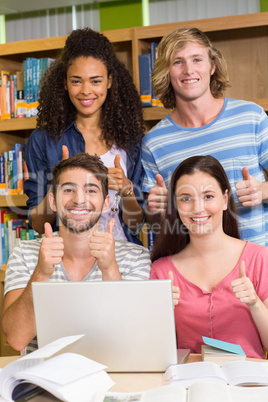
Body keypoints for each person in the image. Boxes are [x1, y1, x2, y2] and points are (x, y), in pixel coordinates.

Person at [2, 153, 151, 353]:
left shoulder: (136, 257)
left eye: (90, 190)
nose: (79, 200)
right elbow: (16, 338)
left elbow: (132, 339)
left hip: (113, 377)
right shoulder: (24, 253)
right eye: (69, 189)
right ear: (53, 202)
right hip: (42, 379)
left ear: (106, 203)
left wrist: (110, 270)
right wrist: (41, 273)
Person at [142, 27, 268, 246]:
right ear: (166, 72)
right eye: (178, 62)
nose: (188, 70)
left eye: (197, 59)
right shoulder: (154, 142)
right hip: (195, 270)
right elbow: (156, 224)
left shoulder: (252, 117)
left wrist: (263, 191)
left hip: (257, 264)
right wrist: (155, 209)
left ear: (212, 66)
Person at [24, 27, 145, 244]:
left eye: (95, 81)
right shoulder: (43, 140)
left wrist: (127, 189)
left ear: (109, 81)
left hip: (122, 257)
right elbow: (37, 224)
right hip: (69, 261)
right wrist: (59, 183)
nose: (86, 90)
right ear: (64, 82)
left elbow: (136, 225)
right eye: (76, 81)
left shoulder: (131, 140)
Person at [150, 155, 268, 359]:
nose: (198, 208)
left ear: (224, 199)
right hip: (188, 384)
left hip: (249, 385)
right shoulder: (160, 271)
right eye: (186, 198)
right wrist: (161, 314)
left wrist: (255, 303)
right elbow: (153, 352)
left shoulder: (260, 258)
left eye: (208, 196)